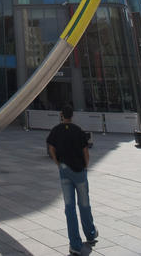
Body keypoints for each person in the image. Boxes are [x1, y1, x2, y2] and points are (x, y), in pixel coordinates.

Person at [47, 105, 98, 255]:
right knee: (84, 204)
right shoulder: (78, 130)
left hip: (65, 171)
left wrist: (58, 163)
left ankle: (75, 244)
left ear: (62, 115)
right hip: (79, 171)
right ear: (72, 115)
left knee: (69, 208)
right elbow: (85, 151)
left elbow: (51, 148)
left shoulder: (56, 130)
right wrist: (85, 166)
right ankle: (90, 233)